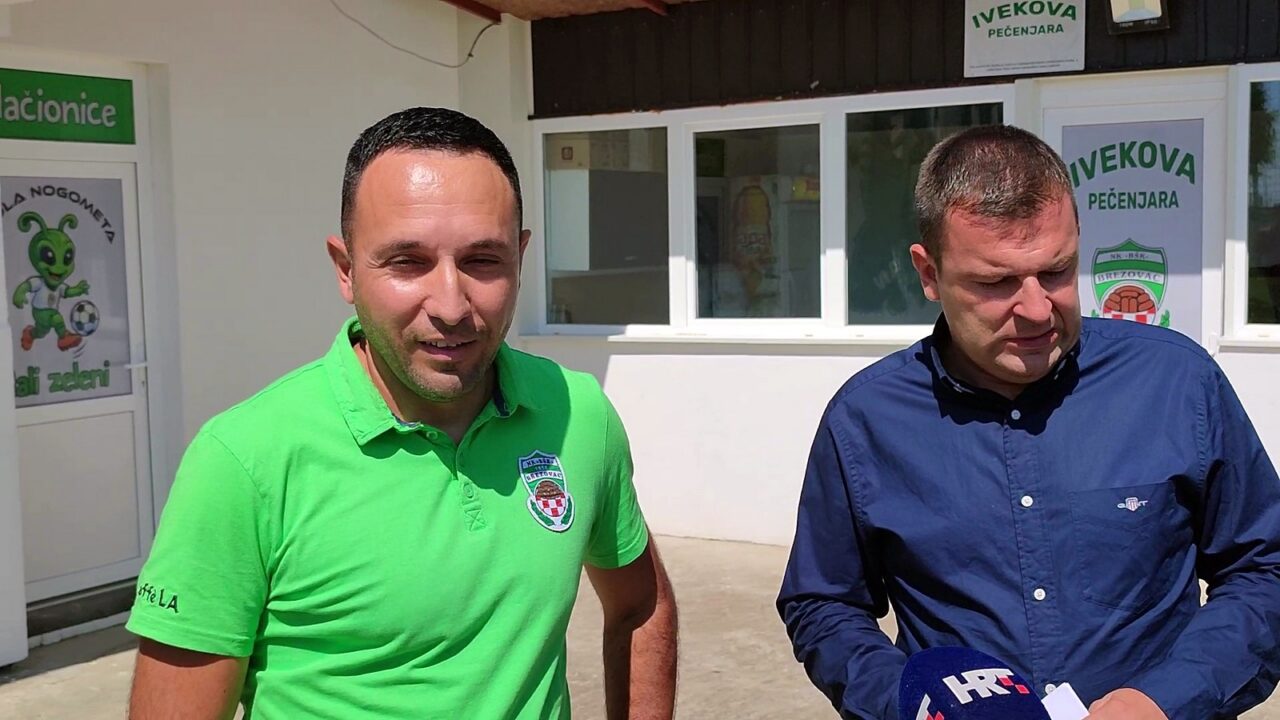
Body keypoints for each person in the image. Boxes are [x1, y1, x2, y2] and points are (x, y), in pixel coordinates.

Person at [126, 107, 678, 719]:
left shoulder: (577, 414)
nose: (451, 305)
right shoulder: (245, 459)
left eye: (483, 260)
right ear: (346, 271)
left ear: (521, 259)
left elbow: (640, 605)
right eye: (407, 262)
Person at [777, 124, 1280, 720]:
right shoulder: (865, 421)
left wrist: (1164, 700)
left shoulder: (1177, 384)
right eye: (996, 282)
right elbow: (824, 605)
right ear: (929, 273)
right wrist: (910, 702)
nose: (1038, 309)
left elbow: (1264, 569)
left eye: (1058, 271)